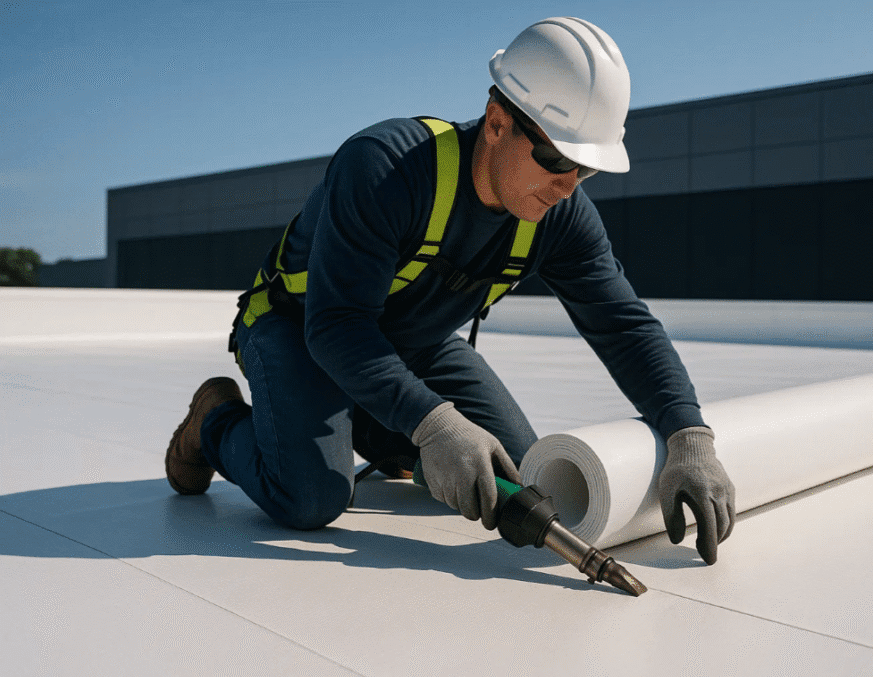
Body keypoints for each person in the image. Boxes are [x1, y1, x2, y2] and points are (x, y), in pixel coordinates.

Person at [166, 16, 736, 564]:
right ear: (497, 121)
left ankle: (376, 427)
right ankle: (213, 421)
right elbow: (336, 325)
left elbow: (623, 326)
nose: (566, 188)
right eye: (556, 159)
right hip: (298, 328)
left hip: (414, 341)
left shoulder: (559, 215)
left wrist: (688, 434)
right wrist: (434, 424)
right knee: (312, 497)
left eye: (585, 170)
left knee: (517, 473)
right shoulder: (386, 169)